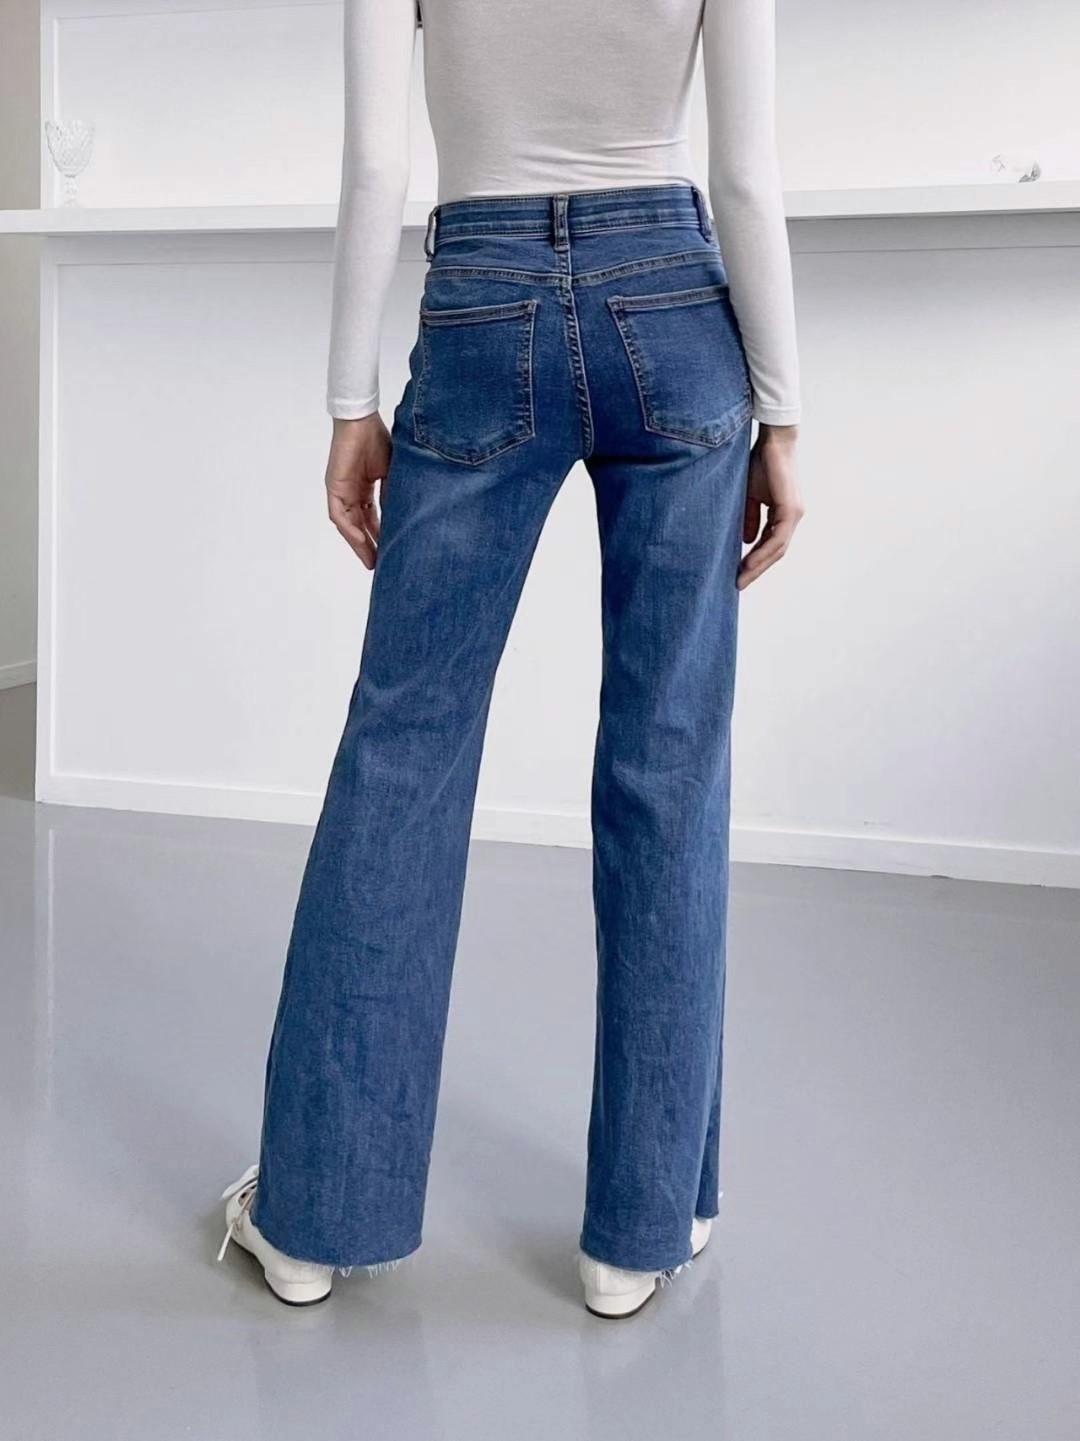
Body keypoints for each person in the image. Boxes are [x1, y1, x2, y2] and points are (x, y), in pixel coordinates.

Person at [217, 0, 804, 1319]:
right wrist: (783, 413)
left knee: (403, 746)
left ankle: (313, 1220)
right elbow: (746, 174)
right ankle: (642, 1231)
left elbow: (378, 166)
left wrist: (349, 401)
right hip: (675, 306)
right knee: (668, 761)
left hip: (482, 303)